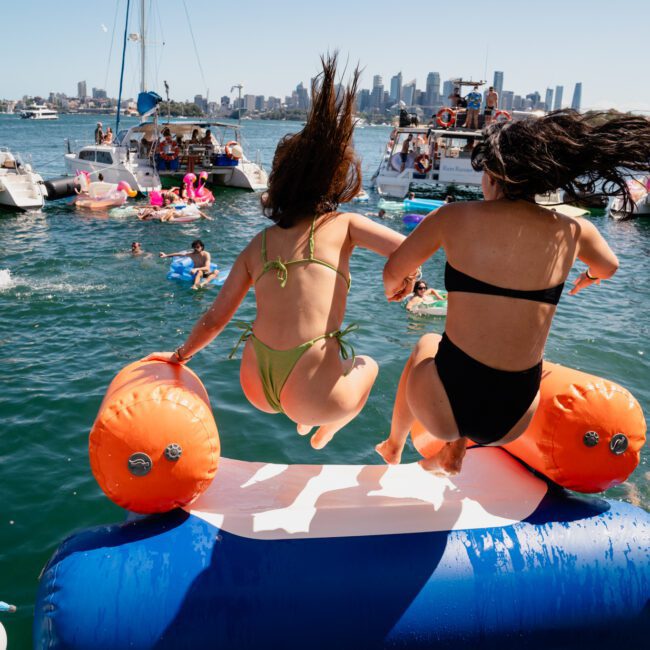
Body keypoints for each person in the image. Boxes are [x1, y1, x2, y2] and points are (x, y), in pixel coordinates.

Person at [146, 54, 406, 449]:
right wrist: (410, 277)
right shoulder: (345, 224)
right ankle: (327, 422)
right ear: (335, 181)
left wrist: (179, 355)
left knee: (304, 387)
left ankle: (311, 413)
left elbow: (216, 318)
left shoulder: (258, 244)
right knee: (367, 365)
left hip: (256, 382)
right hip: (313, 388)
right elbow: (408, 249)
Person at [376, 110, 650, 475]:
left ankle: (394, 445)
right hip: (513, 417)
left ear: (492, 174)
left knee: (428, 343)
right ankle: (455, 451)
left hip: (445, 407)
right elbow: (609, 266)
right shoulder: (573, 230)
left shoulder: (453, 217)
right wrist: (588, 276)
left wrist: (400, 287)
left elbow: (392, 272)